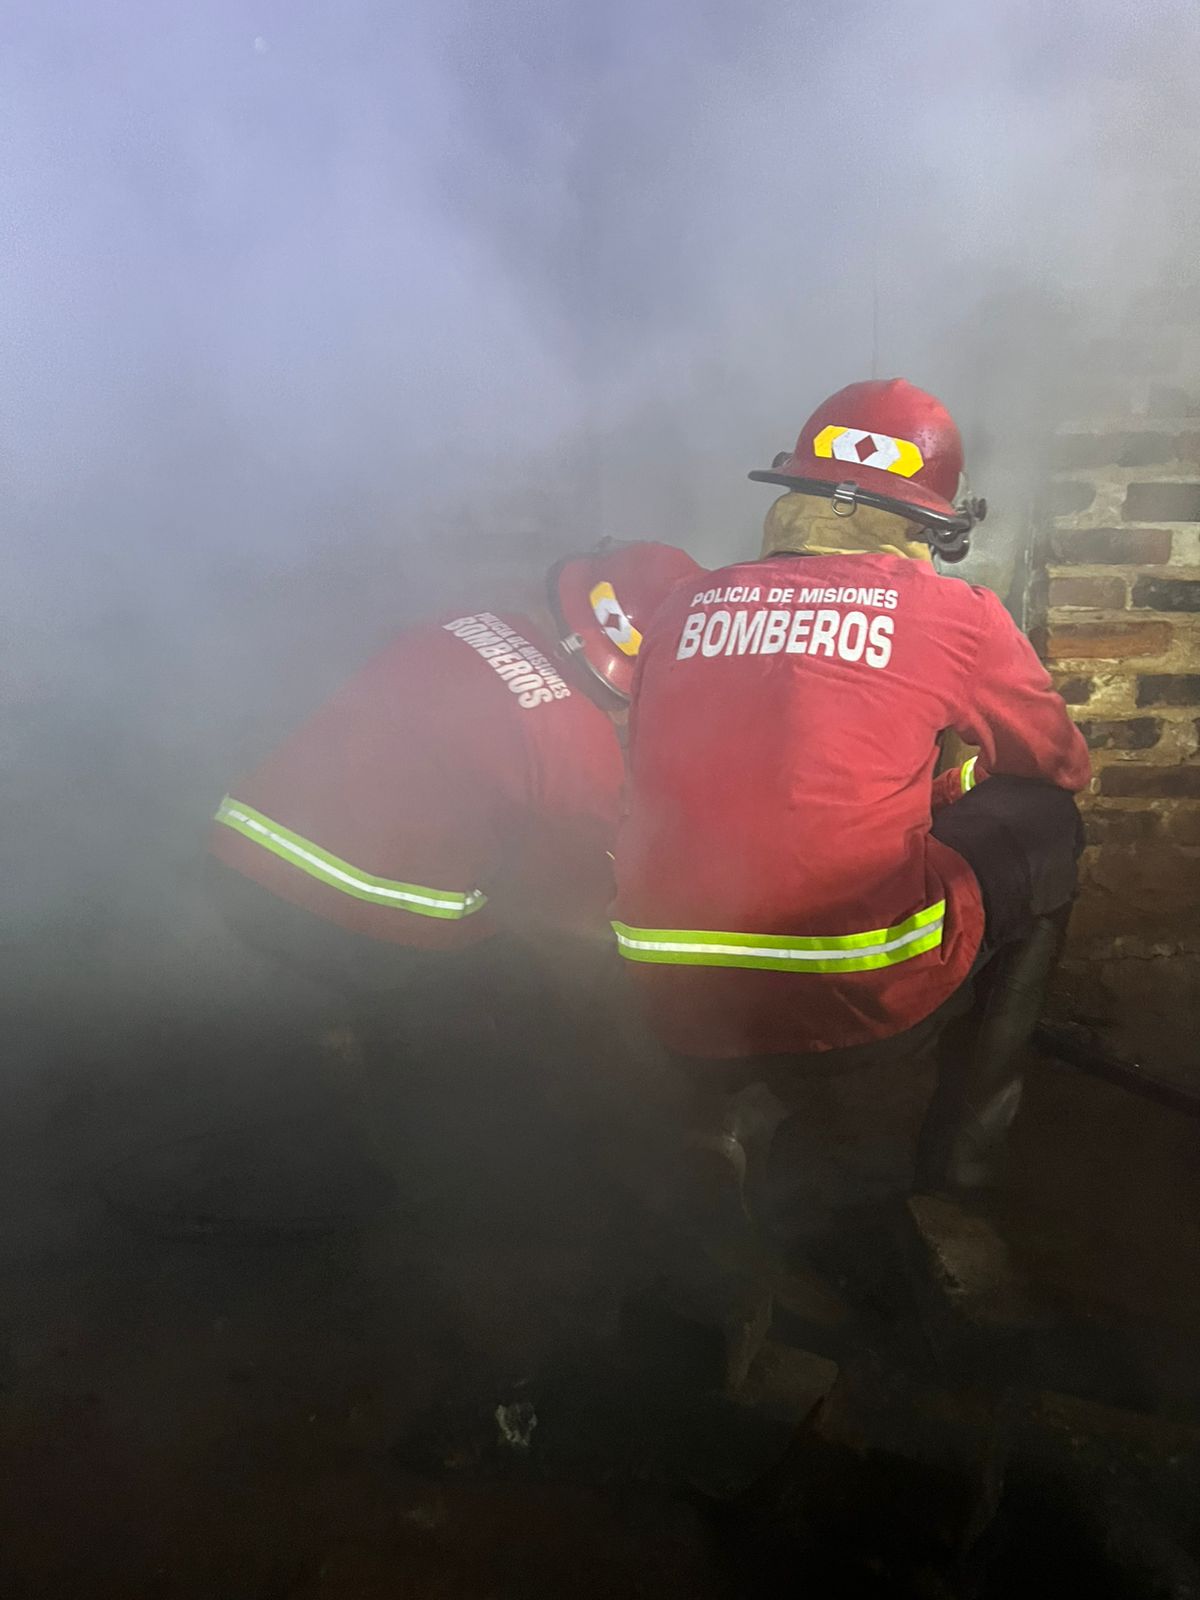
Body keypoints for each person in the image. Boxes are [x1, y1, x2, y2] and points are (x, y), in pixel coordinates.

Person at [611, 380, 1091, 1245]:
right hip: (856, 991)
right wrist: (956, 767)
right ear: (924, 523)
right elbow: (1061, 762)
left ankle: (728, 1111)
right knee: (1051, 823)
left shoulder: (682, 605)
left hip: (666, 987)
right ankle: (962, 1167)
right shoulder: (958, 613)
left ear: (794, 497)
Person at [206, 539, 703, 1208]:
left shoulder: (472, 622)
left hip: (239, 850)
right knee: (512, 993)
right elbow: (572, 920)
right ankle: (416, 1178)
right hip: (347, 915)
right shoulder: (577, 749)